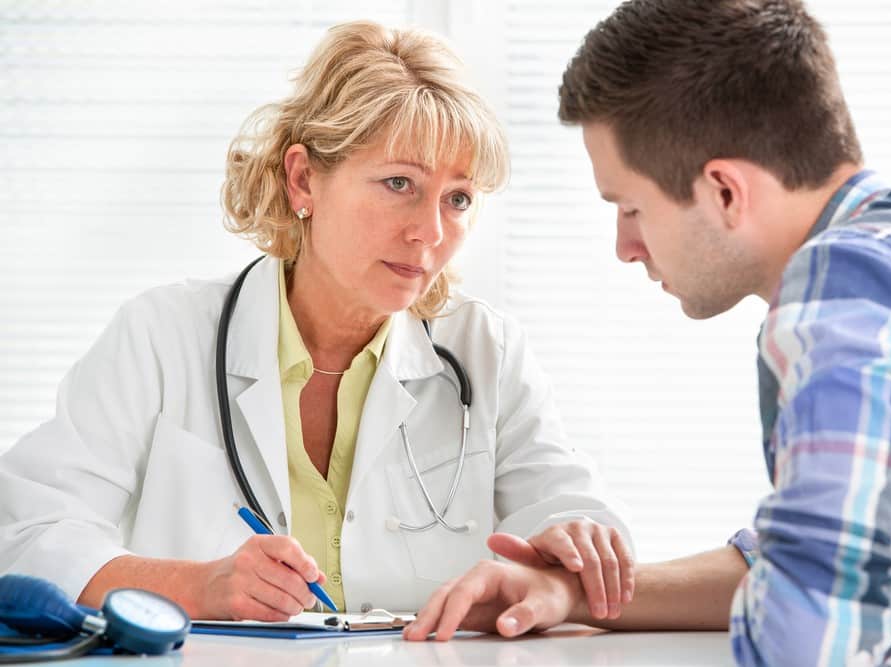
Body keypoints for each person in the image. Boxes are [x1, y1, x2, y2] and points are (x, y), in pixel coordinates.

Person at [403, 1, 891, 664]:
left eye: (631, 207)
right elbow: (805, 564)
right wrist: (570, 593)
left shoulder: (843, 294)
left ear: (724, 191)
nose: (626, 246)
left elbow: (812, 639)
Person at [0, 20, 635, 622]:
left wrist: (578, 540)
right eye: (398, 183)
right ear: (304, 179)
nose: (430, 232)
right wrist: (199, 586)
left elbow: (574, 516)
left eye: (458, 198)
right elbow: (29, 536)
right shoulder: (162, 335)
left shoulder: (485, 352)